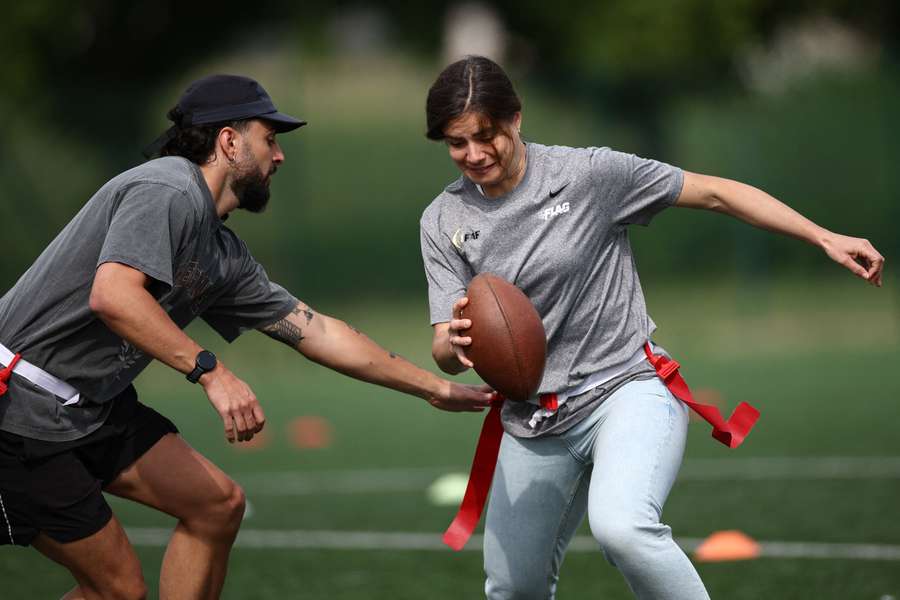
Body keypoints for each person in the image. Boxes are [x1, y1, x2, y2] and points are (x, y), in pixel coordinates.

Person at [0, 74, 493, 600]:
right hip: (21, 411)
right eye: (270, 139)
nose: (278, 157)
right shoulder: (166, 187)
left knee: (216, 506)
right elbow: (115, 296)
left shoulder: (220, 254)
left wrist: (431, 388)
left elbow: (320, 331)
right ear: (229, 141)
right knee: (117, 591)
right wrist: (210, 371)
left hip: (90, 407)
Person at [419, 56, 884, 600]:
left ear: (515, 120)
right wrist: (452, 346)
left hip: (625, 390)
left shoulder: (589, 175)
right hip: (531, 420)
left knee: (625, 529)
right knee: (512, 587)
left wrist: (823, 237)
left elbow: (715, 192)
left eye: (486, 135)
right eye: (456, 143)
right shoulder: (442, 220)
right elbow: (443, 349)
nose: (474, 154)